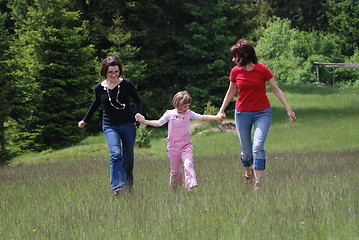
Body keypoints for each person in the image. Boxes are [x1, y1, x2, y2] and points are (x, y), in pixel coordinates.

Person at [217, 39, 296, 189]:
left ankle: (258, 185)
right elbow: (231, 91)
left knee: (258, 146)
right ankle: (248, 173)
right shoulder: (235, 71)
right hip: (242, 114)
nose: (233, 59)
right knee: (247, 152)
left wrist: (288, 109)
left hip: (262, 113)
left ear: (244, 55)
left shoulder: (262, 70)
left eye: (235, 56)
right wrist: (221, 110)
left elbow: (276, 89)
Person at [78, 56, 143, 194]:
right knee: (115, 154)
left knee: (128, 158)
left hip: (128, 124)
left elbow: (138, 101)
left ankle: (128, 185)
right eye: (110, 72)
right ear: (105, 72)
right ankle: (117, 187)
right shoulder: (99, 88)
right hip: (110, 125)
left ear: (120, 71)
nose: (114, 75)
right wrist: (85, 120)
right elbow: (95, 103)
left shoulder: (127, 85)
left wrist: (139, 113)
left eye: (116, 71)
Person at [136, 91, 220, 192]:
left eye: (188, 106)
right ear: (178, 104)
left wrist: (216, 117)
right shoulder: (170, 114)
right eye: (185, 106)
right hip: (173, 147)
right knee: (175, 171)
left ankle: (190, 186)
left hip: (186, 145)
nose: (187, 108)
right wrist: (144, 121)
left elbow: (202, 117)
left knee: (188, 163)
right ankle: (174, 189)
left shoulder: (189, 114)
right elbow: (158, 123)